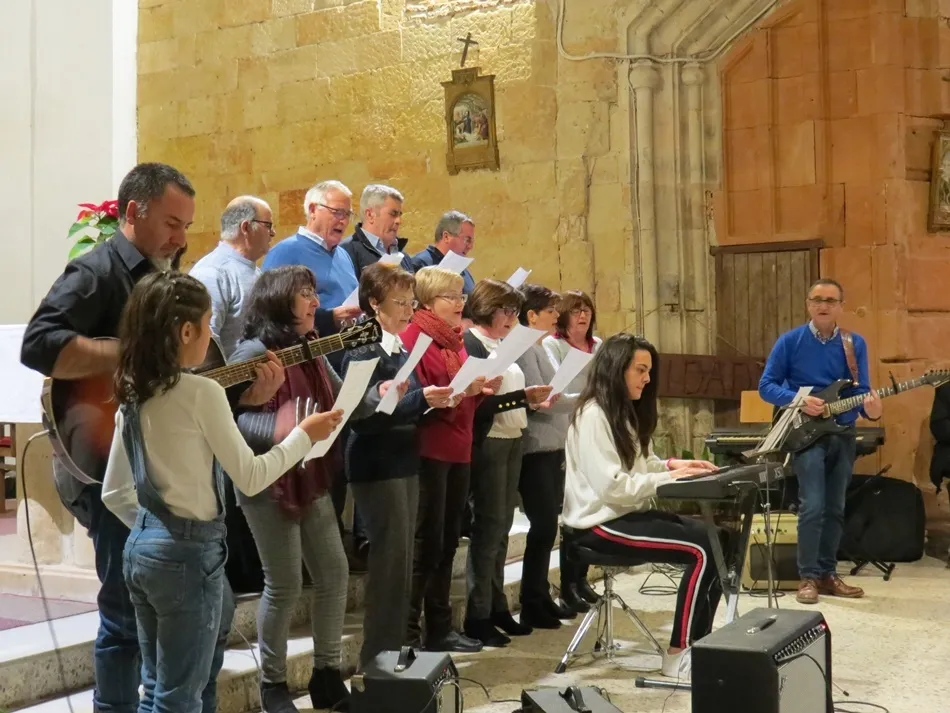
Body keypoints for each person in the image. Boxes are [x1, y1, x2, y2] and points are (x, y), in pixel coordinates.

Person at [100, 272, 342, 713]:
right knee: (180, 697)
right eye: (208, 323)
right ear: (186, 332)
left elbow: (115, 493)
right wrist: (304, 435)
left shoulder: (133, 391)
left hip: (143, 551)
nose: (213, 336)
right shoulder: (201, 392)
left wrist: (156, 532)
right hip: (190, 555)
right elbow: (251, 476)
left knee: (157, 687)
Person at [20, 162, 196, 713]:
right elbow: (39, 343)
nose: (180, 238)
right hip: (103, 464)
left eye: (186, 226)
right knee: (122, 614)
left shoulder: (165, 276)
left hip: (156, 464)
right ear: (134, 212)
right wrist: (129, 353)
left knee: (153, 611)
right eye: (172, 223)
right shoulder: (96, 271)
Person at [228, 266, 371, 713]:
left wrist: (381, 391)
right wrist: (282, 427)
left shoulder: (309, 345)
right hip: (266, 480)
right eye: (306, 293)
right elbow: (231, 422)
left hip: (309, 473)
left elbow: (341, 400)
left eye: (313, 291)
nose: (316, 302)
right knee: (285, 584)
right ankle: (272, 684)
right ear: (278, 299)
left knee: (334, 573)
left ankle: (327, 674)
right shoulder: (253, 352)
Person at [562, 333, 721, 680]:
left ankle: (701, 644)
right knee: (703, 548)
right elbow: (613, 486)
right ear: (616, 369)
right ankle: (679, 652)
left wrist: (672, 465)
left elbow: (639, 465)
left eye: (649, 371)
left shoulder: (620, 411)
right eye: (640, 370)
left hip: (623, 514)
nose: (647, 379)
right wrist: (668, 479)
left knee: (720, 540)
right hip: (597, 524)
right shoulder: (593, 416)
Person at [340, 262, 456, 668]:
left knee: (402, 565)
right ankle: (376, 663)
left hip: (403, 458)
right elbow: (364, 417)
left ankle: (393, 656)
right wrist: (422, 400)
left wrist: (432, 400)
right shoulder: (362, 347)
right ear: (374, 303)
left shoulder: (399, 346)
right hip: (377, 462)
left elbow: (407, 402)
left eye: (411, 303)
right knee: (389, 567)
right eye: (400, 303)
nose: (409, 311)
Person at [758, 278, 882, 605]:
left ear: (841, 306)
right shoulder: (790, 342)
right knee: (812, 505)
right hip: (806, 434)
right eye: (817, 299)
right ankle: (808, 577)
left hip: (843, 432)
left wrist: (871, 409)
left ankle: (828, 574)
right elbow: (766, 386)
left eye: (830, 300)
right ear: (808, 304)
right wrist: (799, 401)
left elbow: (861, 390)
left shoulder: (854, 344)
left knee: (835, 507)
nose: (823, 305)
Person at [400, 266, 501, 653]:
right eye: (451, 297)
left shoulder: (454, 340)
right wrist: (461, 391)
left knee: (446, 543)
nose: (460, 303)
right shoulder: (414, 337)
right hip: (429, 448)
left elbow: (460, 395)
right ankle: (409, 634)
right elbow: (420, 396)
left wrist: (480, 390)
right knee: (426, 544)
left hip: (459, 446)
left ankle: (440, 628)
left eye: (461, 296)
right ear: (427, 302)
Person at [462, 280, 552, 646]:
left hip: (513, 437)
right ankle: (478, 615)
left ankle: (498, 607)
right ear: (488, 308)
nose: (512, 318)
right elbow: (476, 403)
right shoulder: (472, 343)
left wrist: (526, 398)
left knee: (501, 530)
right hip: (489, 442)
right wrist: (520, 398)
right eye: (507, 311)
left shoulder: (502, 344)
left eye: (515, 311)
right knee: (487, 529)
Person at [514, 284, 581, 623]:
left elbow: (556, 394)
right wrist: (587, 396)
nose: (557, 315)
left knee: (547, 528)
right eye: (551, 311)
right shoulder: (525, 350)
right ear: (531, 315)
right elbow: (542, 402)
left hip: (553, 444)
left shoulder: (542, 346)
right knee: (541, 527)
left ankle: (540, 595)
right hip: (536, 447)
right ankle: (531, 600)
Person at [543, 289, 602, 611]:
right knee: (571, 512)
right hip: (564, 433)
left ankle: (582, 579)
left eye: (587, 310)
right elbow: (557, 391)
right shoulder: (553, 346)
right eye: (576, 310)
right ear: (563, 315)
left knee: (591, 508)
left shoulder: (599, 346)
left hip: (594, 434)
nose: (583, 315)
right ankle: (567, 584)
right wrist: (594, 396)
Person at [262, 180, 363, 335]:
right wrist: (330, 318)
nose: (343, 221)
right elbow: (272, 314)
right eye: (337, 212)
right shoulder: (284, 252)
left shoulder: (343, 254)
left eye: (347, 214)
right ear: (313, 209)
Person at [189, 196, 275, 360]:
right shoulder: (213, 272)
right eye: (268, 225)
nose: (273, 233)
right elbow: (206, 343)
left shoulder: (253, 270)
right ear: (246, 227)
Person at [340, 184, 414, 276]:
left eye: (399, 215)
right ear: (370, 215)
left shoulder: (403, 255)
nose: (399, 221)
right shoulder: (346, 253)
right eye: (393, 214)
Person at [410, 211, 476, 295]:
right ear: (446, 237)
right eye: (467, 240)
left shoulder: (464, 272)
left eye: (471, 241)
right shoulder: (420, 264)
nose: (470, 246)